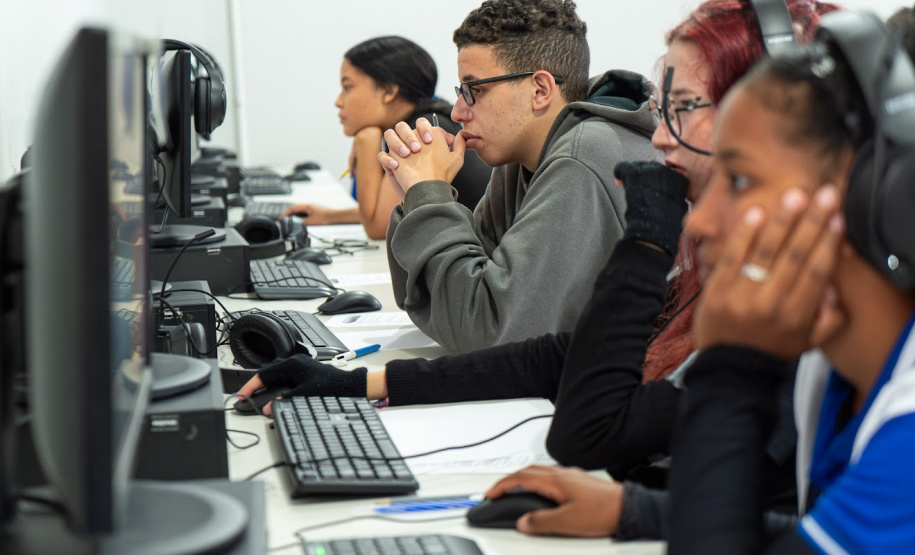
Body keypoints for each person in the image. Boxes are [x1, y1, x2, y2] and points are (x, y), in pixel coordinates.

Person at [238, 0, 835, 541]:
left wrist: (427, 198)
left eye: (681, 109)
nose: (658, 139)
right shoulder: (533, 161)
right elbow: (519, 336)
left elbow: (496, 328)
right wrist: (369, 384)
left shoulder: (587, 156)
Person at [667, 16, 915, 554]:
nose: (699, 224)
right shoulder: (828, 368)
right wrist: (634, 510)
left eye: (741, 180)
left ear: (889, 198)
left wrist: (732, 368)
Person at [377, 0, 660, 354]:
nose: (458, 112)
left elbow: (488, 336)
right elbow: (443, 302)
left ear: (540, 90)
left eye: (474, 90)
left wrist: (429, 196)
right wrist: (415, 200)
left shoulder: (582, 157)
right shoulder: (521, 155)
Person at [281, 36, 490, 239]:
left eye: (348, 87)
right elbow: (400, 209)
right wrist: (329, 216)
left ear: (388, 91)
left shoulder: (420, 132)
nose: (338, 101)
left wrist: (367, 138)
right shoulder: (427, 119)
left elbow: (378, 228)